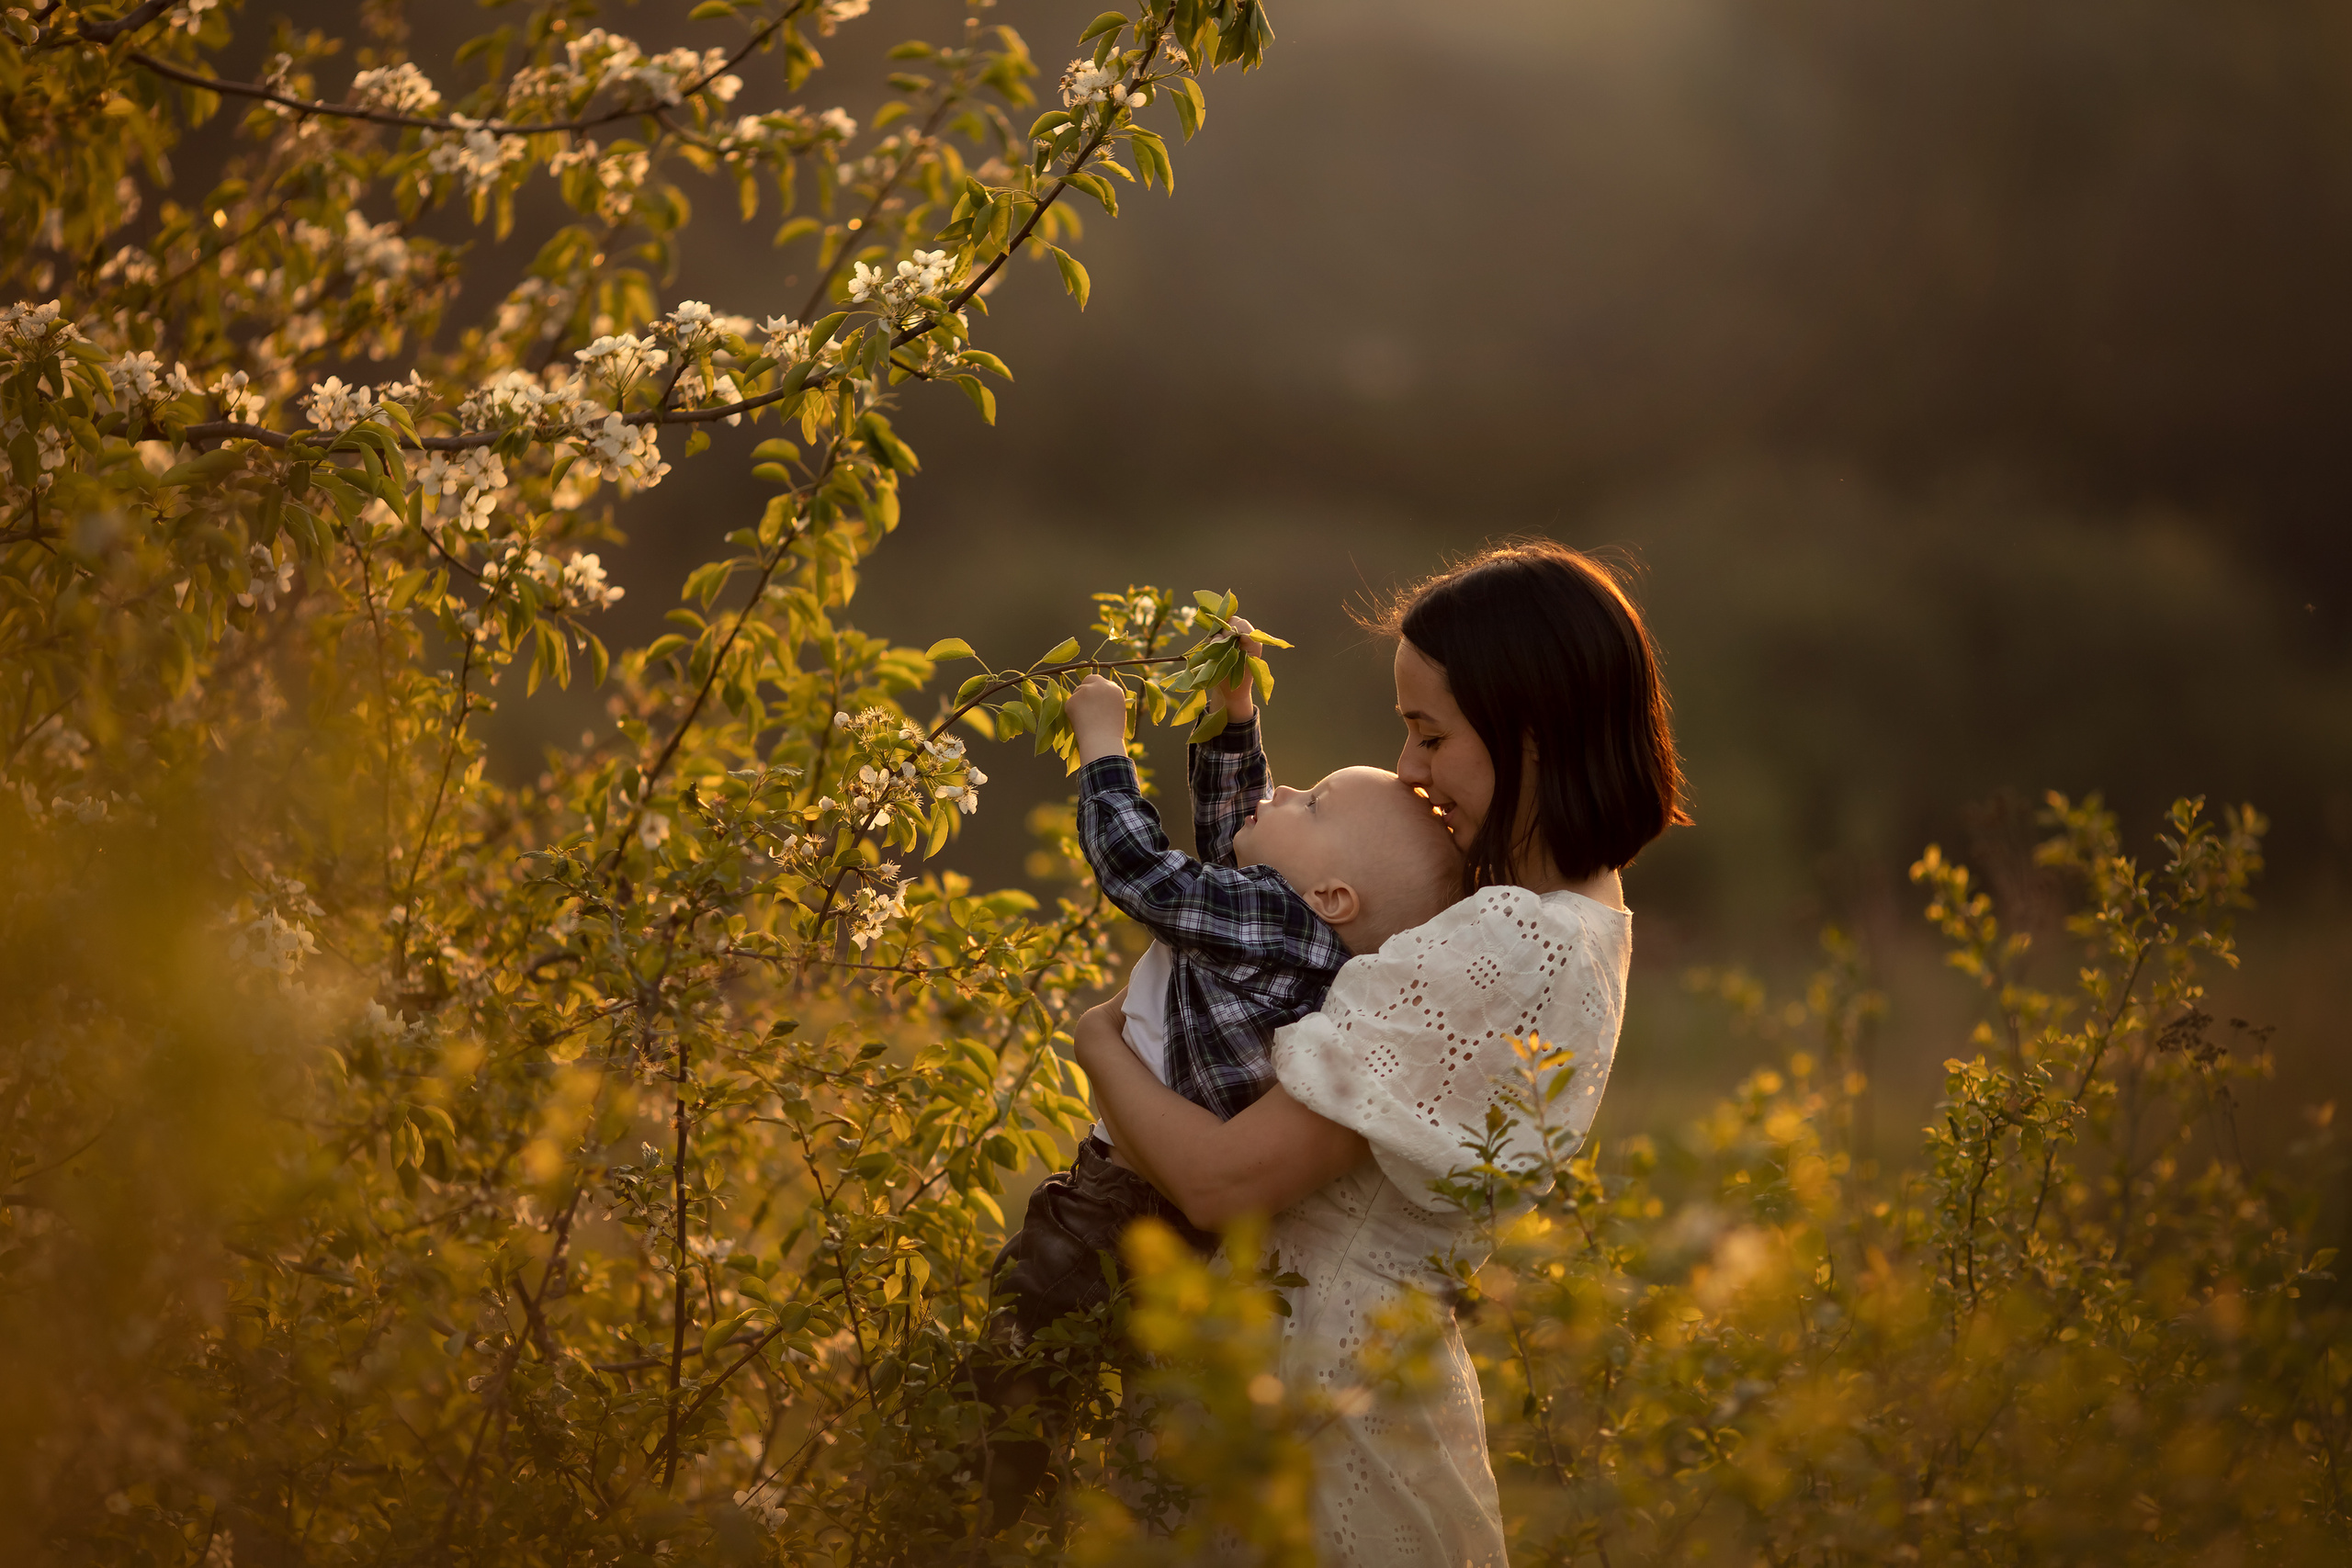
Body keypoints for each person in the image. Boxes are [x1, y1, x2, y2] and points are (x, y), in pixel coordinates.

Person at [1078, 540, 1687, 1567]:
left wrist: (1097, 1042)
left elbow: (1223, 1180)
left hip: (1326, 1433)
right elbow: (1280, 907)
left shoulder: (1511, 941)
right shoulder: (1573, 923)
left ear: (1531, 733)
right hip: (1331, 1395)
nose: (1408, 770)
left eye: (1430, 735)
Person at [974, 631, 1462, 1524]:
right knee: (1146, 1432)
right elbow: (1236, 831)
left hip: (1109, 1203)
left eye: (1310, 804)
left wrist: (1100, 744)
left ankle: (972, 1525)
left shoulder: (1269, 917)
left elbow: (1141, 872)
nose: (1283, 793)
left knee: (1012, 1375)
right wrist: (1234, 723)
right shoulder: (1303, 944)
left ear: (1332, 898)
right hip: (1187, 1244)